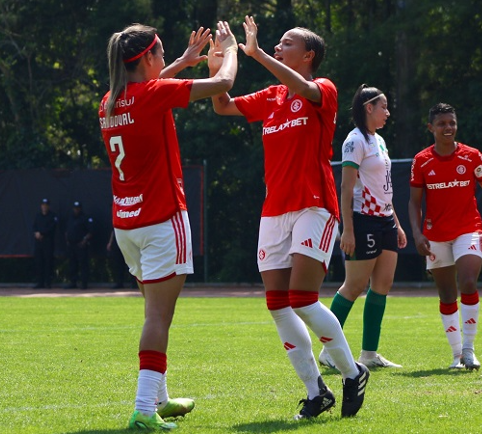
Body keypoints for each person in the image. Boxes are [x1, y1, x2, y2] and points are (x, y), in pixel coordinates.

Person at [209, 16, 368, 420]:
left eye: (286, 43)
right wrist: (219, 60)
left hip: (314, 204)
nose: (278, 46)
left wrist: (257, 53)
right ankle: (317, 391)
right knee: (278, 303)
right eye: (276, 44)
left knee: (302, 298)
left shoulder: (324, 89)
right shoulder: (271, 96)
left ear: (308, 54)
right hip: (274, 210)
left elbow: (301, 86)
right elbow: (222, 105)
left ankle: (353, 373)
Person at [99, 22, 238, 430]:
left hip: (127, 225)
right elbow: (224, 82)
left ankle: (158, 399)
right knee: (158, 319)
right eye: (160, 54)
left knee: (153, 314)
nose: (164, 60)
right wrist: (227, 50)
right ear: (145, 59)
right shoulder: (153, 94)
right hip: (162, 220)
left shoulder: (109, 100)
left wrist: (179, 61)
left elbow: (148, 89)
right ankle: (144, 409)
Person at [318, 85, 408, 372]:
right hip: (363, 221)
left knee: (382, 286)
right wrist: (348, 229)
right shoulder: (354, 141)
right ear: (369, 107)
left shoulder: (379, 140)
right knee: (354, 286)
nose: (387, 112)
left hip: (385, 222)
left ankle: (369, 353)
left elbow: (383, 187)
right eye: (383, 106)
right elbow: (346, 187)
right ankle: (328, 351)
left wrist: (397, 223)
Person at [407, 103, 482, 370]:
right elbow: (414, 202)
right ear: (430, 128)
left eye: (452, 123)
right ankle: (456, 355)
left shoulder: (472, 156)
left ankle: (469, 350)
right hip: (435, 235)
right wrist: (417, 233)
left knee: (468, 282)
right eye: (442, 124)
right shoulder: (421, 160)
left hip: (469, 229)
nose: (448, 128)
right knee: (447, 295)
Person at [65, 201, 93, 289]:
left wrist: (84, 240)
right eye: (75, 208)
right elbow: (67, 230)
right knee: (72, 264)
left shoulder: (85, 218)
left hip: (81, 245)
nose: (76, 210)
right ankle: (73, 282)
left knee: (83, 264)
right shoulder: (70, 218)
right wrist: (67, 240)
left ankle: (84, 283)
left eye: (78, 208)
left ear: (80, 209)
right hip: (72, 245)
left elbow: (91, 231)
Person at [33, 198, 57, 289]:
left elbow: (51, 228)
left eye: (46, 205)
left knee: (48, 262)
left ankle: (48, 282)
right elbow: (34, 227)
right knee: (39, 262)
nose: (44, 207)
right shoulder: (38, 216)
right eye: (43, 205)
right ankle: (40, 282)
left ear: (48, 206)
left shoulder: (52, 216)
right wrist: (36, 233)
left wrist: (42, 233)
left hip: (48, 242)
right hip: (39, 243)